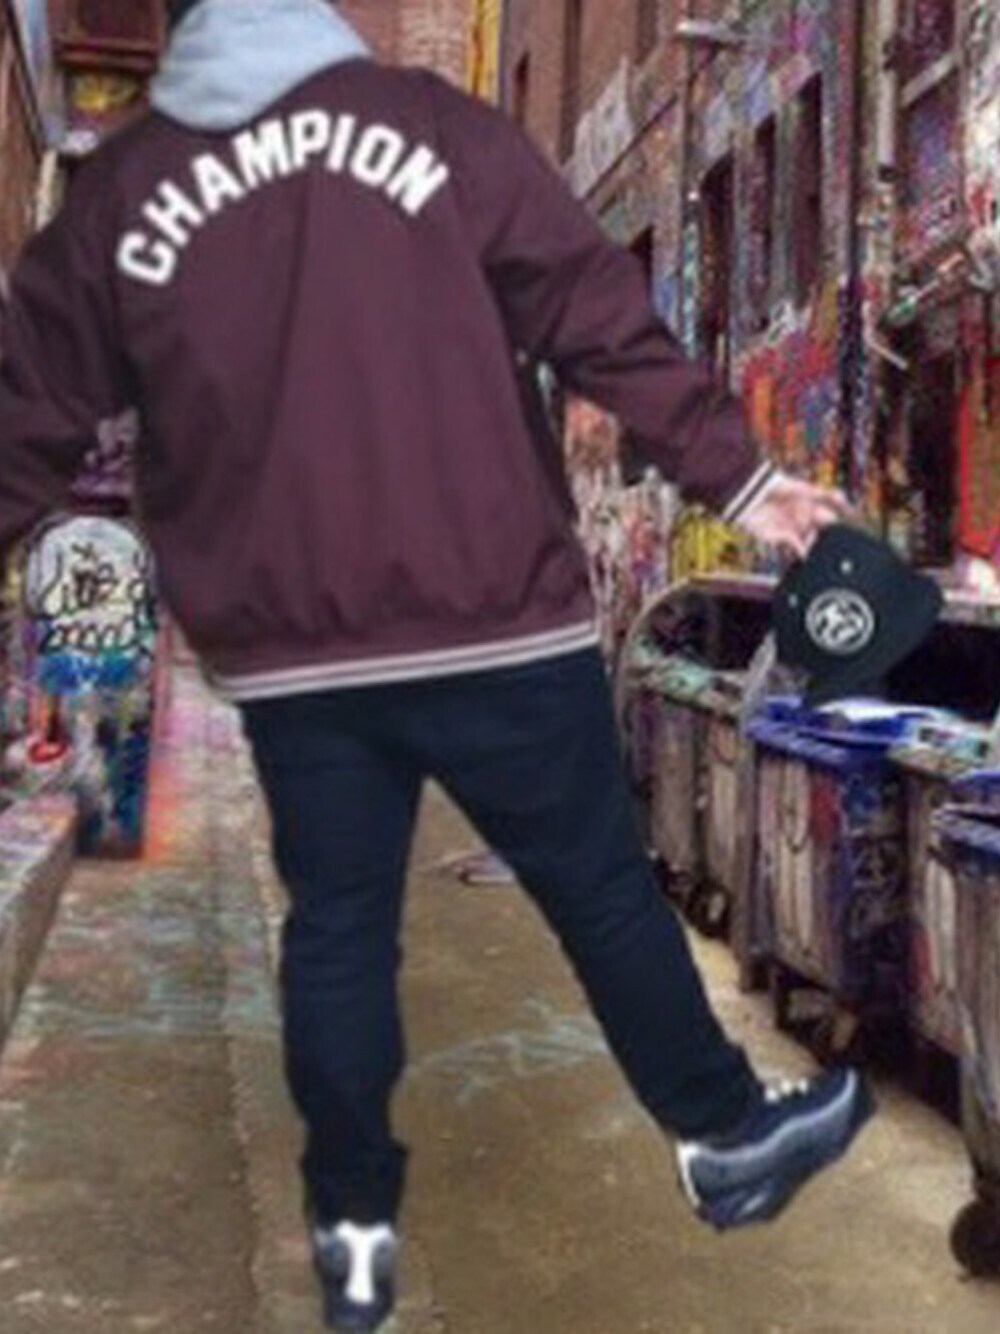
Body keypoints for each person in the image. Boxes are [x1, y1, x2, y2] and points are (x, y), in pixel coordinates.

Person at [0, 2, 872, 1329]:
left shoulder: (129, 190)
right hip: (492, 612)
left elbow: (28, 417)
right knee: (599, 888)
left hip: (296, 652)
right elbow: (597, 310)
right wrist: (746, 484)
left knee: (339, 930)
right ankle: (722, 1135)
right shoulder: (439, 133)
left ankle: (353, 1231)